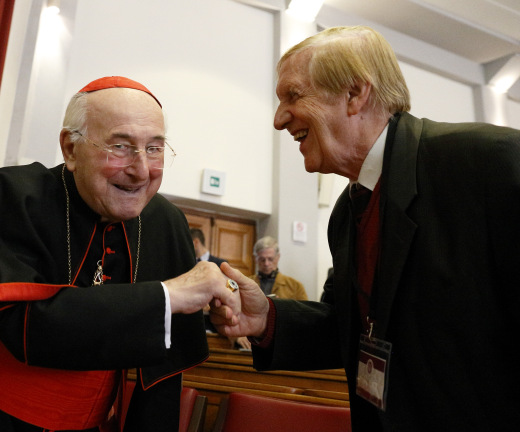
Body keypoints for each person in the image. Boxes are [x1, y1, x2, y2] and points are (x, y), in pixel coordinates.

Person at [210, 26, 520, 431]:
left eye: (293, 95)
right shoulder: (346, 211)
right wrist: (266, 318)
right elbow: (354, 329)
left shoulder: (489, 164)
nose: (279, 118)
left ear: (355, 94)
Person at [0, 76, 238, 432]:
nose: (141, 170)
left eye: (155, 148)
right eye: (121, 146)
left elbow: (163, 373)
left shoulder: (166, 223)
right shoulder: (13, 194)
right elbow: (27, 327)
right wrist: (166, 296)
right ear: (70, 148)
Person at [234, 236, 307, 349]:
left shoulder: (295, 286)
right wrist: (238, 335)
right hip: (250, 344)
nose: (266, 263)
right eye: (262, 259)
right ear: (255, 259)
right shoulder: (243, 285)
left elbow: (304, 319)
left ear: (278, 257)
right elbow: (233, 314)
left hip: (284, 344)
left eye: (270, 259)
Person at [189, 227, 227, 333]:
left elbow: (228, 292)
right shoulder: (187, 265)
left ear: (196, 242)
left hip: (215, 325)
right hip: (190, 323)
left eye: (188, 243)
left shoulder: (221, 264)